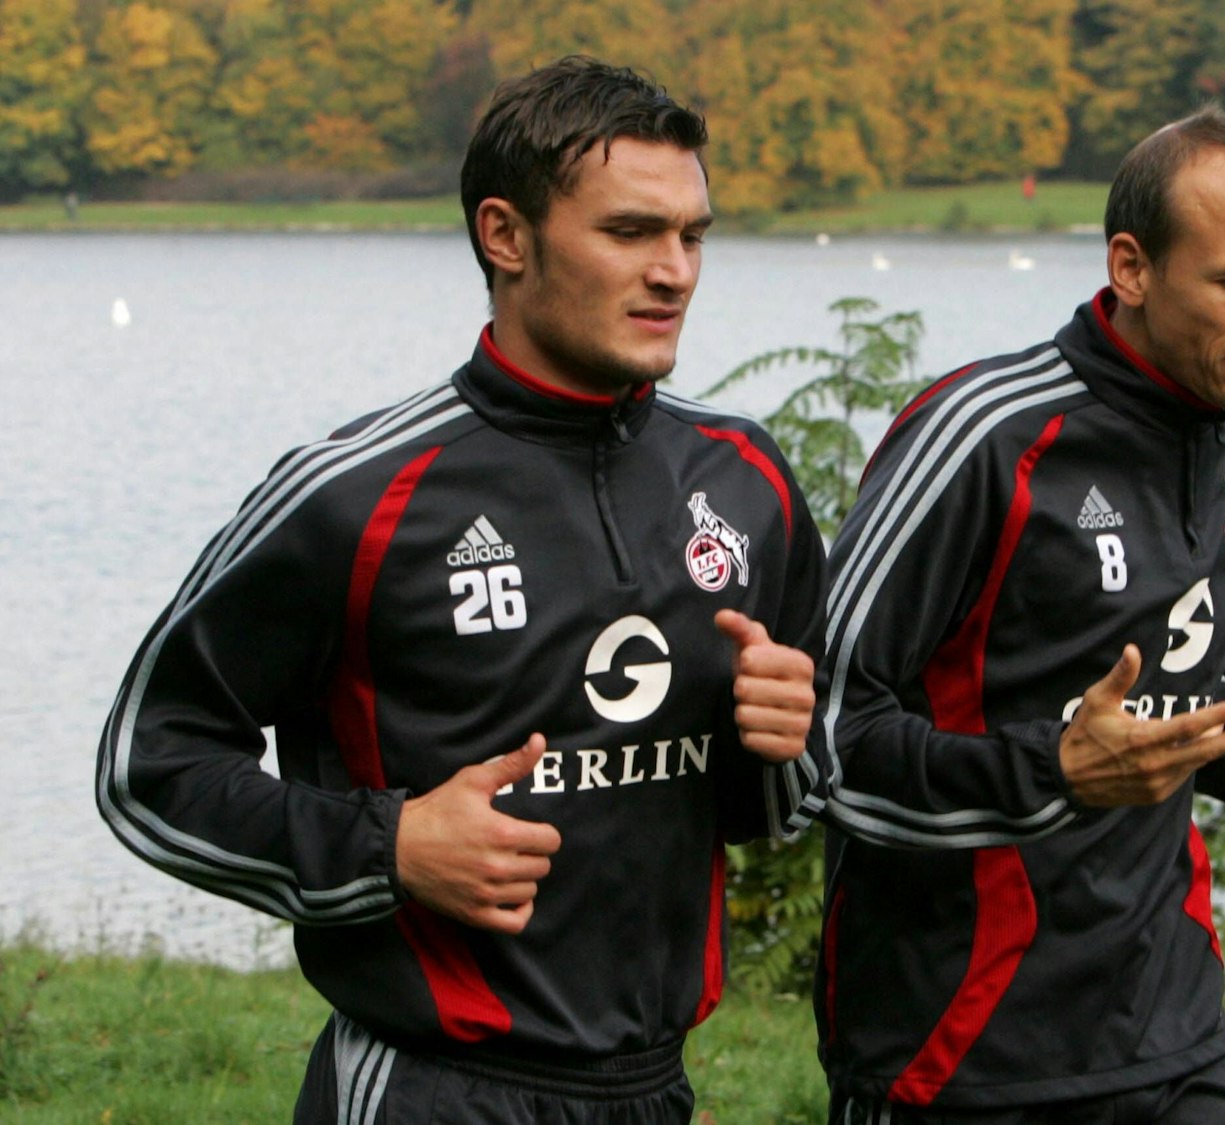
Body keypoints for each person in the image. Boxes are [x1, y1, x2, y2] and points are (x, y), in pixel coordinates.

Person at [95, 57, 829, 1124]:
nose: (674, 272)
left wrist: (781, 743)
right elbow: (146, 768)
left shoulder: (745, 480)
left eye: (692, 236)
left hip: (650, 1088)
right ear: (505, 235)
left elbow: (776, 799)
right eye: (630, 232)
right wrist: (388, 847)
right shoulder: (355, 496)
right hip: (427, 1086)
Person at [811, 109, 1225, 1123]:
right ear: (1132, 267)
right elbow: (825, 740)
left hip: (1170, 1033)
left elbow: (1184, 677)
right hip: (962, 1052)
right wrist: (1053, 774)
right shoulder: (984, 436)